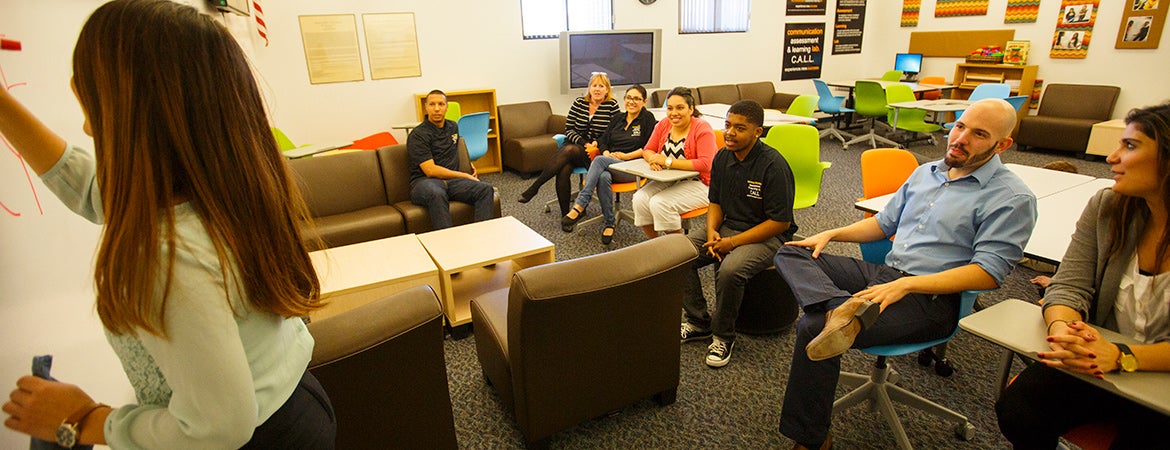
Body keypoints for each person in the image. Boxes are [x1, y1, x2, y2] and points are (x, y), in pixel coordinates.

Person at [0, 1, 335, 448]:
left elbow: (220, 427)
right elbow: (86, 185)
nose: (74, 84)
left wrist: (83, 419)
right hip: (300, 406)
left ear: (123, 100)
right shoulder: (217, 190)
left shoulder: (165, 255)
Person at [772, 98, 1037, 450]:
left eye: (978, 134)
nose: (960, 138)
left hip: (931, 299)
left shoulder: (1012, 197)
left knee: (813, 326)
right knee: (791, 250)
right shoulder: (926, 172)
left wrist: (906, 284)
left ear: (1002, 145)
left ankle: (812, 440)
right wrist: (831, 234)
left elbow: (988, 273)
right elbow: (883, 225)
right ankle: (840, 308)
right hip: (885, 275)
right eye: (959, 126)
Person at [996, 102, 1170, 449]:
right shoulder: (1108, 206)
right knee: (1019, 410)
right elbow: (1068, 285)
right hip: (1098, 355)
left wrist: (1123, 356)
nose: (1111, 157)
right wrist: (1065, 331)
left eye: (1130, 146)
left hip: (1153, 370)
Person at [679, 100, 797, 368]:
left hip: (767, 236)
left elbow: (779, 222)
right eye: (728, 125)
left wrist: (731, 242)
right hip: (727, 226)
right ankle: (699, 322)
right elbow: (716, 203)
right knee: (680, 253)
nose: (730, 133)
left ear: (757, 132)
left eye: (740, 128)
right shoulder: (722, 157)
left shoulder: (773, 166)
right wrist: (712, 232)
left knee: (730, 269)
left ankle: (723, 336)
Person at [559, 84, 657, 242]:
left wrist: (626, 156)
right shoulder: (618, 118)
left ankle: (581, 203)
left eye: (637, 99)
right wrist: (606, 153)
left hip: (632, 168)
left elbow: (649, 147)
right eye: (629, 98)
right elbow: (603, 140)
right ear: (624, 99)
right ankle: (609, 223)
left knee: (599, 161)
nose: (632, 102)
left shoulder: (647, 119)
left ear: (644, 101)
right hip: (610, 163)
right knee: (603, 176)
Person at [517, 72, 620, 215]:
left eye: (601, 86)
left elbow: (614, 132)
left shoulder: (612, 105)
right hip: (575, 144)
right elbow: (569, 129)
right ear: (589, 88)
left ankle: (535, 186)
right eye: (594, 85)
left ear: (607, 90)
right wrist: (584, 143)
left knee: (569, 151)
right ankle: (566, 214)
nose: (597, 89)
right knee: (564, 168)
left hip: (595, 153)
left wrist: (596, 143)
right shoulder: (579, 102)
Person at [633, 87, 718, 239]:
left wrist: (667, 161)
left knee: (660, 204)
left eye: (680, 108)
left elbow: (707, 164)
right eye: (670, 108)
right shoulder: (664, 124)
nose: (674, 113)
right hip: (670, 179)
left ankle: (680, 253)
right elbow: (648, 150)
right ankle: (656, 245)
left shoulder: (701, 127)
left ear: (691, 109)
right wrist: (653, 159)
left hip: (703, 183)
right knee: (640, 199)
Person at [407, 89, 495, 230]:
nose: (437, 109)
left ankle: (482, 235)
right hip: (424, 182)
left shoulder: (453, 126)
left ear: (447, 107)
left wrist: (468, 164)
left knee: (485, 189)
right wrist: (464, 175)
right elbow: (430, 170)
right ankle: (448, 242)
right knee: (436, 193)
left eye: (441, 104)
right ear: (426, 107)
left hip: (452, 182)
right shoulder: (418, 135)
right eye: (432, 104)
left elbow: (455, 147)